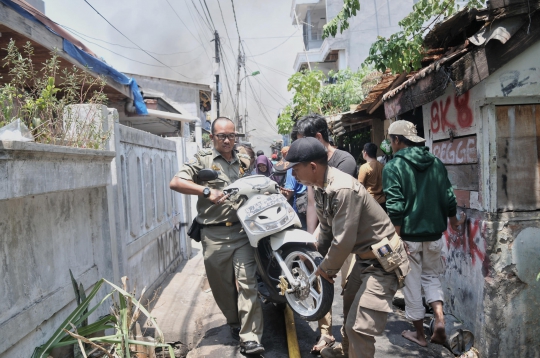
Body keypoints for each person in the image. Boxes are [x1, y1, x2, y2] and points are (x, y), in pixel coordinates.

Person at [277, 137, 400, 358]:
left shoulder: (342, 188)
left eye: (295, 169)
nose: (292, 175)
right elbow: (326, 231)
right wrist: (307, 259)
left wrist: (324, 270)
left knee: (359, 327)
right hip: (364, 260)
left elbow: (343, 240)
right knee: (348, 307)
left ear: (312, 167)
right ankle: (345, 353)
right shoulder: (322, 187)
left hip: (383, 263)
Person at [169, 117, 264, 354]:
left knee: (247, 283)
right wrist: (206, 190)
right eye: (222, 136)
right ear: (212, 137)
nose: (227, 140)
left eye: (231, 135)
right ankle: (235, 322)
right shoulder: (202, 159)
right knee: (222, 288)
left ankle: (250, 336)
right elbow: (176, 182)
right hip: (214, 234)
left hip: (243, 231)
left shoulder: (243, 161)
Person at [382, 120, 463, 348]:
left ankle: (420, 335)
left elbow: (395, 207)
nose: (390, 144)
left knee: (412, 284)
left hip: (408, 238)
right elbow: (449, 197)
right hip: (435, 236)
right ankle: (439, 319)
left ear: (397, 140)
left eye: (391, 139)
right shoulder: (436, 163)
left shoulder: (393, 167)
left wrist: (395, 239)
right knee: (431, 278)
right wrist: (454, 221)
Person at [295, 113, 357, 354]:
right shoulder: (309, 164)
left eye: (303, 142)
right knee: (322, 280)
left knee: (348, 285)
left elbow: (339, 209)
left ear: (318, 138)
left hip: (347, 231)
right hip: (326, 228)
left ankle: (348, 338)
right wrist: (309, 238)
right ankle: (325, 333)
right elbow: (312, 203)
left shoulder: (344, 161)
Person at [279, 146, 308, 230]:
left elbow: (289, 191)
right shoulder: (303, 163)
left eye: (284, 154)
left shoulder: (291, 167)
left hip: (300, 203)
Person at [358, 143, 386, 212]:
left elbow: (360, 186)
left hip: (370, 202)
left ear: (365, 153)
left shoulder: (364, 167)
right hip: (383, 202)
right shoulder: (382, 166)